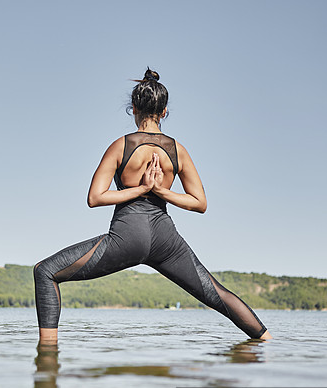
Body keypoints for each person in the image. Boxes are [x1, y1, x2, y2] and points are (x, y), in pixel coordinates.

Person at [34, 68, 271, 343]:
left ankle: (48, 361)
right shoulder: (177, 150)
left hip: (126, 237)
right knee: (217, 294)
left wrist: (142, 189)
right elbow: (200, 203)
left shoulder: (120, 146)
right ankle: (269, 347)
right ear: (165, 111)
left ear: (133, 108)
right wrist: (161, 191)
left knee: (46, 271)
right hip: (165, 241)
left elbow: (95, 198)